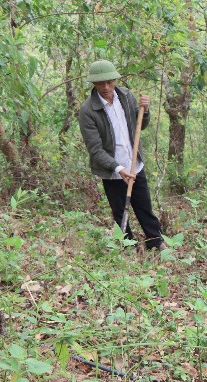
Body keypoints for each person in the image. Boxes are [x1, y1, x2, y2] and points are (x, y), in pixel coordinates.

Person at [77, 60, 164, 250]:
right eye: (100, 83)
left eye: (109, 82)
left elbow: (141, 125)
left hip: (135, 165)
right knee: (119, 211)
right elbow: (95, 150)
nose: (106, 87)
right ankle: (128, 247)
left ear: (115, 80)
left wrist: (145, 110)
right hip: (112, 171)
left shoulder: (125, 96)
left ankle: (156, 242)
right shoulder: (87, 111)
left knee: (145, 207)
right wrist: (118, 168)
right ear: (93, 83)